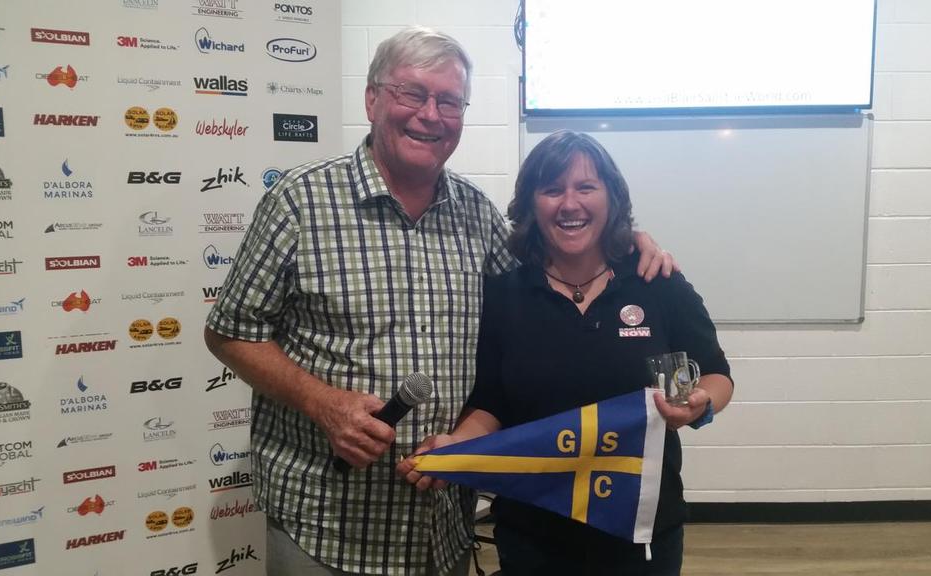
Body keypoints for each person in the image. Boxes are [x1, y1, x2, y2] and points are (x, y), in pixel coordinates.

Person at [204, 27, 675, 576]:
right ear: (373, 99)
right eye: (412, 93)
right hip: (326, 521)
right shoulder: (298, 202)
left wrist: (627, 242)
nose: (431, 114)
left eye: (449, 101)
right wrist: (322, 403)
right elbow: (229, 330)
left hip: (441, 524)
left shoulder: (478, 216)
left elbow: (553, 279)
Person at [398, 130, 733, 575]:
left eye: (586, 187)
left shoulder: (657, 282)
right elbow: (492, 401)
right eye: (552, 189)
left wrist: (698, 403)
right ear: (532, 206)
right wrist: (457, 446)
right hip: (535, 533)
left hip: (640, 532)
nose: (569, 203)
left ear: (612, 198)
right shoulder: (506, 295)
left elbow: (715, 373)